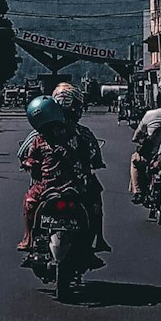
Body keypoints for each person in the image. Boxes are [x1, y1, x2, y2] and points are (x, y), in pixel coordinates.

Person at [17, 95, 97, 258]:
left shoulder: (39, 138)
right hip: (72, 184)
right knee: (92, 204)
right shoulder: (76, 134)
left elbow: (28, 157)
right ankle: (94, 243)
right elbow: (88, 155)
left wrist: (29, 163)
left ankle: (28, 238)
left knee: (29, 202)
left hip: (48, 186)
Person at [51, 83, 110, 253]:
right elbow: (95, 158)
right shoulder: (83, 133)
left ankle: (30, 239)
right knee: (96, 201)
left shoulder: (42, 131)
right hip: (78, 183)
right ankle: (99, 238)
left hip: (48, 182)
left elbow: (24, 152)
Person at [129, 87, 161, 202]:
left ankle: (138, 192)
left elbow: (137, 135)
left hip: (152, 156)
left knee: (135, 160)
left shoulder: (149, 114)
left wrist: (138, 139)